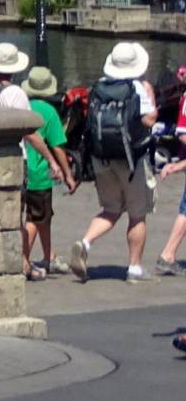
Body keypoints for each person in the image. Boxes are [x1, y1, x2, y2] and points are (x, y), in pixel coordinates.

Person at [71, 42, 159, 283]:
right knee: (137, 214)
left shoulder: (100, 85)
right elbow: (149, 120)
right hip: (132, 160)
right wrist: (152, 100)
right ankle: (134, 269)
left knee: (110, 210)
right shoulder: (139, 88)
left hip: (102, 158)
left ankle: (85, 243)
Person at [19, 67, 77, 280]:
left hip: (22, 169)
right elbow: (58, 146)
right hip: (40, 173)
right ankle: (23, 260)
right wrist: (67, 174)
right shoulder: (49, 112)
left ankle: (48, 256)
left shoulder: (23, 106)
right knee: (35, 218)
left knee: (44, 216)